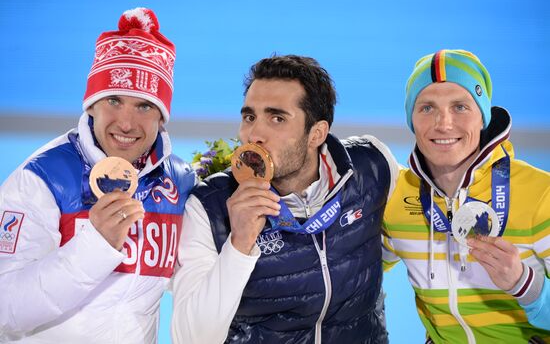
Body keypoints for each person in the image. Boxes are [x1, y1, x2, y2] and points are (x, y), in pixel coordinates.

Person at [171, 55, 399, 343]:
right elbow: (191, 338)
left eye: (277, 118)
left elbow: (416, 229)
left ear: (317, 133)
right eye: (249, 116)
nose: (254, 133)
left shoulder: (373, 167)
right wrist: (238, 246)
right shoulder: (209, 207)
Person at [0, 8, 195, 343]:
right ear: (90, 105)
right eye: (114, 100)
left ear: (162, 117)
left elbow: (193, 282)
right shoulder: (42, 179)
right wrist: (95, 246)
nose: (126, 123)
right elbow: (5, 310)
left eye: (145, 106)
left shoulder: (180, 180)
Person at [382, 49, 550, 343]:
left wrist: (526, 285)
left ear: (482, 117)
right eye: (426, 108)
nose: (444, 124)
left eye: (460, 107)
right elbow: (341, 272)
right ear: (412, 119)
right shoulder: (396, 198)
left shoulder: (541, 195)